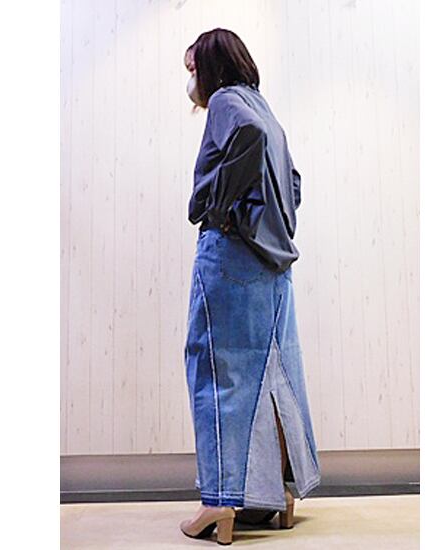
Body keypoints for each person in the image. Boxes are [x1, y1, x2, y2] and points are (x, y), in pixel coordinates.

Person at [180, 28, 321, 545]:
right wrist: (271, 224)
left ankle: (218, 503)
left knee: (216, 373)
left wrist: (219, 208)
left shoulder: (226, 103)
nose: (191, 81)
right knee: (272, 376)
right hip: (273, 267)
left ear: (211, 67)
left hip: (231, 258)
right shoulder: (265, 108)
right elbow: (293, 182)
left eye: (192, 68)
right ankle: (276, 496)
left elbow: (248, 138)